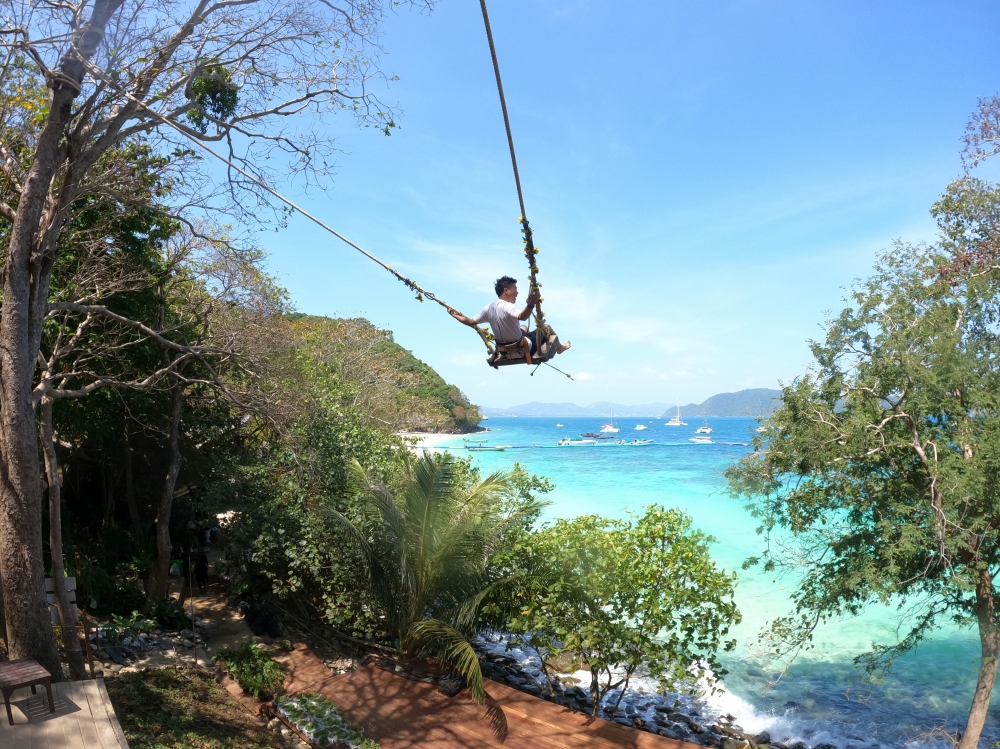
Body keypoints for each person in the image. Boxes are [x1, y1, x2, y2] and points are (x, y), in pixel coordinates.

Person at [450, 276, 571, 364]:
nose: (517, 292)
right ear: (506, 290)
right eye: (515, 288)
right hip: (522, 349)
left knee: (523, 327)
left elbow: (470, 322)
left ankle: (532, 338)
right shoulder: (507, 306)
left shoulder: (488, 308)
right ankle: (560, 348)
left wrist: (455, 315)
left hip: (505, 349)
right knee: (547, 327)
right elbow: (523, 316)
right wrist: (532, 303)